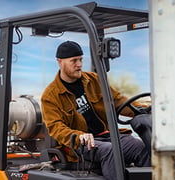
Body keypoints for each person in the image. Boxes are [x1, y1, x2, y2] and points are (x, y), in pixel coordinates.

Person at [41, 41, 151, 180]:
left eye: (80, 59)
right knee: (109, 151)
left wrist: (145, 110)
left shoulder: (94, 80)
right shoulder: (50, 96)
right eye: (74, 61)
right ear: (60, 62)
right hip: (81, 144)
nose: (79, 64)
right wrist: (79, 136)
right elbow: (55, 127)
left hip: (106, 135)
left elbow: (118, 101)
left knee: (139, 146)